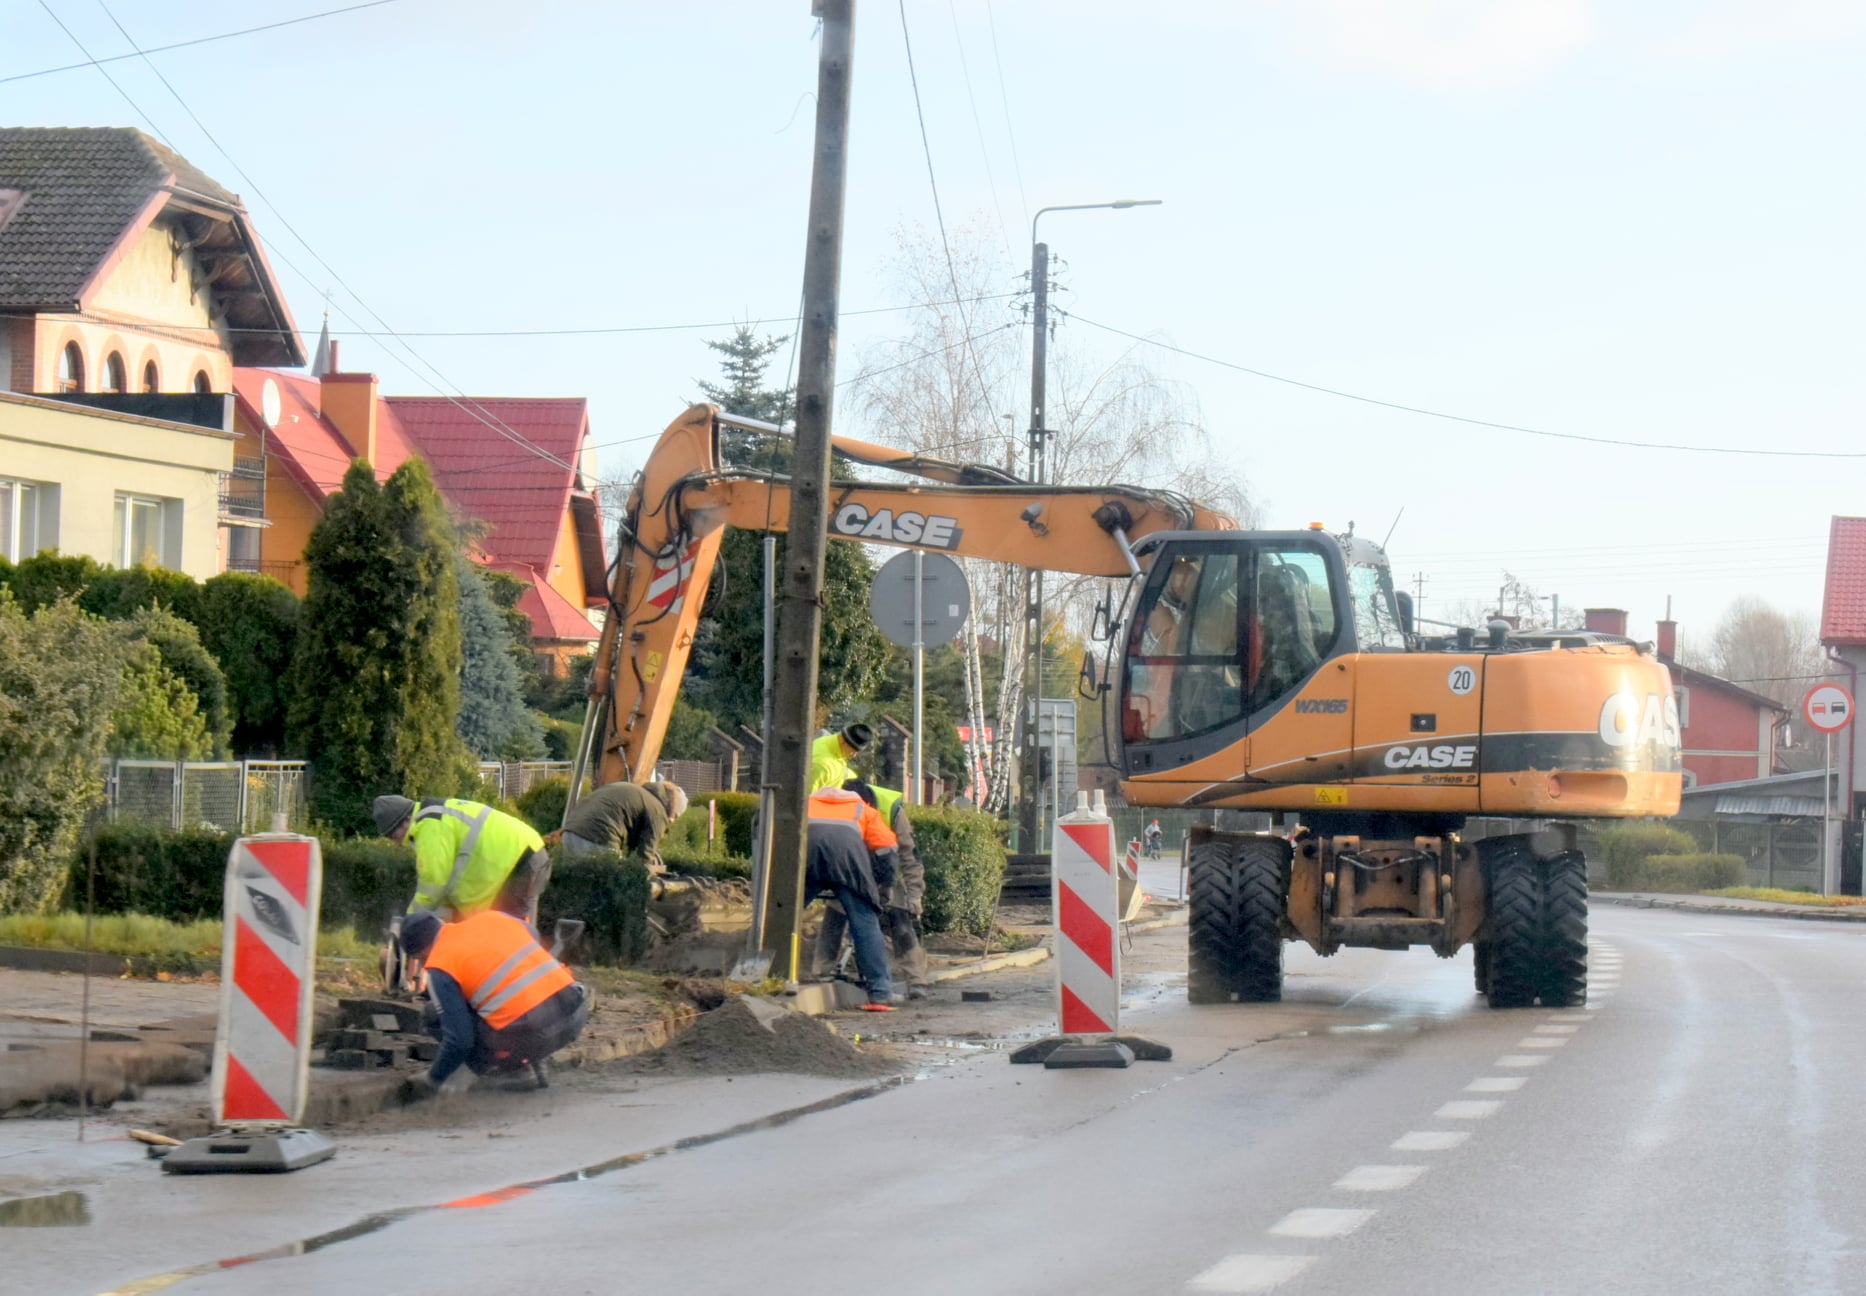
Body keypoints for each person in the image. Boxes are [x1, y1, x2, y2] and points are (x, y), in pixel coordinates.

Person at [398, 910, 590, 1093]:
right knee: (506, 1004)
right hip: (575, 1016)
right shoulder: (493, 918)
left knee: (434, 1016)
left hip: (535, 1037)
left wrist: (434, 1078)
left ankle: (515, 1071)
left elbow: (459, 1041)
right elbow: (533, 933)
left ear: (420, 953)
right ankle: (535, 1060)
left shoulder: (440, 966)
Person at [373, 794, 551, 926]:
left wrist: (411, 920)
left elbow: (433, 883)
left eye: (392, 836)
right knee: (503, 933)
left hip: (519, 862)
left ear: (404, 821)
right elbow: (449, 882)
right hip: (523, 858)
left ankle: (525, 974)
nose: (395, 842)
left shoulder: (429, 826)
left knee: (506, 936)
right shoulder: (435, 815)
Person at [815, 780, 927, 987]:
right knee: (836, 913)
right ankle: (820, 970)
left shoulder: (892, 812)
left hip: (884, 867)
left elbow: (908, 855)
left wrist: (914, 895)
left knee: (898, 915)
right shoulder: (838, 808)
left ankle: (916, 978)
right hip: (850, 868)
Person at [806, 782, 899, 1011]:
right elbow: (886, 848)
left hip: (806, 855)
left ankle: (769, 975)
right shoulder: (863, 809)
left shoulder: (806, 803)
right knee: (865, 921)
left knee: (782, 913)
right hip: (847, 862)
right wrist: (884, 887)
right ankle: (879, 993)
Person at [560, 780, 689, 867]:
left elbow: (633, 844)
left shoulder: (634, 791)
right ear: (672, 810)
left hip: (570, 831)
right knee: (610, 889)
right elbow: (644, 856)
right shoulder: (658, 811)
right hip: (599, 837)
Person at [807, 721, 874, 793]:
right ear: (844, 742)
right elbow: (805, 800)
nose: (854, 755)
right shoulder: (823, 766)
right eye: (853, 751)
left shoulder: (828, 742)